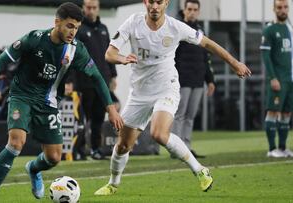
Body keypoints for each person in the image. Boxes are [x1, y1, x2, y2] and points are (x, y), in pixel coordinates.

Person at [0, 3, 123, 203]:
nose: (73, 32)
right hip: (22, 96)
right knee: (16, 143)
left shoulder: (76, 50)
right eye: (69, 26)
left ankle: (33, 168)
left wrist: (111, 110)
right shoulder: (34, 39)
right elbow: (0, 61)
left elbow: (97, 77)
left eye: (77, 28)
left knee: (54, 157)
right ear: (57, 22)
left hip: (49, 102)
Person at [94, 0, 251, 196]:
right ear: (145, 2)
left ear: (166, 3)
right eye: (150, 1)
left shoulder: (175, 27)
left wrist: (235, 63)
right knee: (123, 144)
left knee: (158, 134)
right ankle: (113, 184)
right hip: (139, 94)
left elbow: (208, 43)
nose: (154, 6)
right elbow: (110, 54)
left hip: (166, 88)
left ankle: (200, 170)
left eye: (159, 2)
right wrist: (122, 58)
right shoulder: (133, 23)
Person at [171, 0, 215, 158]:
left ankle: (187, 147)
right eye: (189, 9)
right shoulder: (178, 29)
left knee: (190, 116)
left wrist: (210, 80)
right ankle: (176, 149)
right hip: (182, 79)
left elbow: (205, 57)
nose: (192, 12)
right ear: (184, 10)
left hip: (198, 80)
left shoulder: (200, 30)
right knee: (179, 115)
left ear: (198, 11)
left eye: (195, 10)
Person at [74, 0, 117, 160]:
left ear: (98, 9)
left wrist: (113, 75)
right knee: (83, 119)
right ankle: (78, 150)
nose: (91, 11)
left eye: (94, 8)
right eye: (88, 7)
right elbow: (73, 55)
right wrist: (71, 80)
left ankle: (96, 149)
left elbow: (110, 53)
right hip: (84, 82)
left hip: (103, 81)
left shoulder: (104, 29)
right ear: (83, 8)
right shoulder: (79, 29)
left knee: (99, 118)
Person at [260, 0, 293, 158]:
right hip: (278, 79)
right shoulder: (269, 29)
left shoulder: (289, 28)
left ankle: (283, 147)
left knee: (286, 113)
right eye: (279, 7)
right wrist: (273, 77)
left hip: (290, 79)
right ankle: (272, 149)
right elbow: (266, 56)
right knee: (273, 112)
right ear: (274, 9)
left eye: (285, 7)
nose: (283, 10)